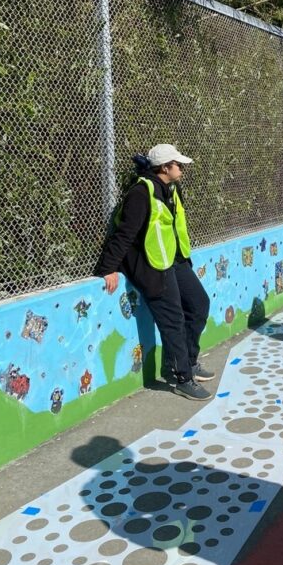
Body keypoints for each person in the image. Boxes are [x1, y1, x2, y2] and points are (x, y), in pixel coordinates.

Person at [95, 144, 215, 401]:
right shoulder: (141, 192)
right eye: (177, 164)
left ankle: (189, 360)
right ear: (164, 167)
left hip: (174, 259)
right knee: (173, 320)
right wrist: (108, 268)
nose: (181, 168)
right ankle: (183, 377)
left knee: (199, 304)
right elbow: (125, 233)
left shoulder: (170, 188)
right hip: (152, 266)